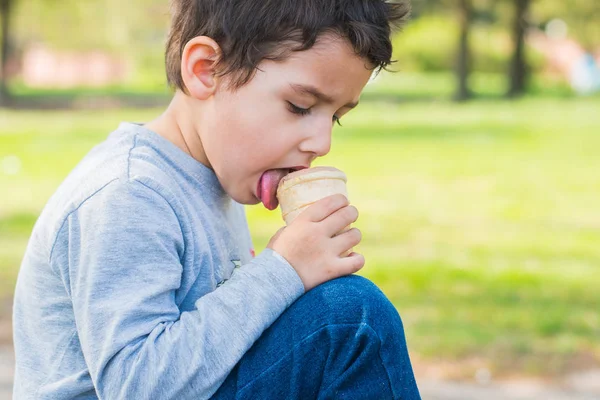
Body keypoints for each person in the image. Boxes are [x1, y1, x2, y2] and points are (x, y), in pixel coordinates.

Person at [12, 0, 421, 398]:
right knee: (352, 317)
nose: (322, 142)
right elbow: (136, 386)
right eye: (300, 107)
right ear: (206, 70)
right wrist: (283, 271)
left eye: (334, 117)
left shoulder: (210, 181)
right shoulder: (129, 193)